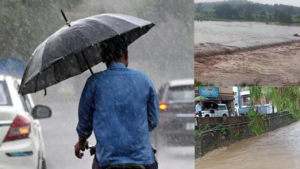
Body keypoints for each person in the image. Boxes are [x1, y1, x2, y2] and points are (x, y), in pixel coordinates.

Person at [74, 41, 159, 169]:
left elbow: (85, 121)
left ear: (103, 58)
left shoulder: (94, 82)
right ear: (126, 55)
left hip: (107, 160)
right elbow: (153, 120)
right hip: (142, 159)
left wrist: (81, 141)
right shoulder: (144, 80)